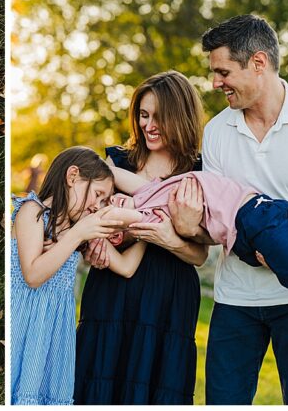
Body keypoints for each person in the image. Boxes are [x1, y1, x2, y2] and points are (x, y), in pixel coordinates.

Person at [196, 14, 288, 405]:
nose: (215, 83)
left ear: (259, 63)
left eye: (223, 71)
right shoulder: (216, 132)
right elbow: (216, 218)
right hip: (236, 302)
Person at [74, 71, 210, 404]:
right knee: (102, 377)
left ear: (181, 118)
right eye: (143, 115)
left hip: (170, 294)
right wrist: (95, 245)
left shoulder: (199, 173)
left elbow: (199, 255)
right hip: (113, 290)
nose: (148, 125)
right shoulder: (117, 162)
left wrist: (167, 237)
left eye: (159, 118)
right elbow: (85, 219)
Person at [105, 166, 288, 327]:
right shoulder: (150, 221)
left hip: (268, 206)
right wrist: (96, 222)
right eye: (106, 210)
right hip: (252, 224)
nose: (111, 201)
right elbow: (128, 226)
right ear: (118, 233)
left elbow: (108, 172)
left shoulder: (145, 193)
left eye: (107, 198)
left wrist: (82, 166)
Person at [9, 146, 133, 405]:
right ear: (72, 176)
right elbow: (33, 274)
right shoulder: (33, 212)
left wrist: (149, 231)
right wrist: (77, 235)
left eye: (103, 202)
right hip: (23, 324)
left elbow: (125, 266)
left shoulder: (80, 231)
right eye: (98, 195)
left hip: (54, 335)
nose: (97, 207)